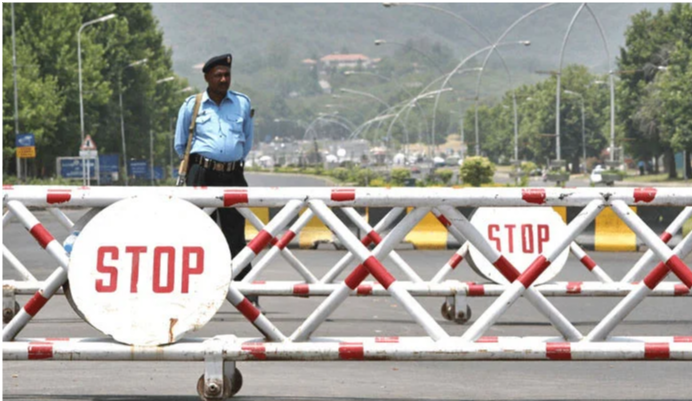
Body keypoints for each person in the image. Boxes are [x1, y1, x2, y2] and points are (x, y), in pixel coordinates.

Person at [174, 53, 258, 305]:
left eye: (227, 75)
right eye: (218, 75)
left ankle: (246, 294)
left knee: (236, 235)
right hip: (202, 173)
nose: (223, 79)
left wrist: (229, 161)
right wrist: (204, 165)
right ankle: (196, 293)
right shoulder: (193, 105)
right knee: (200, 234)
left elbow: (247, 140)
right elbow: (181, 144)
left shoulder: (242, 103)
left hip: (233, 174)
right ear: (207, 77)